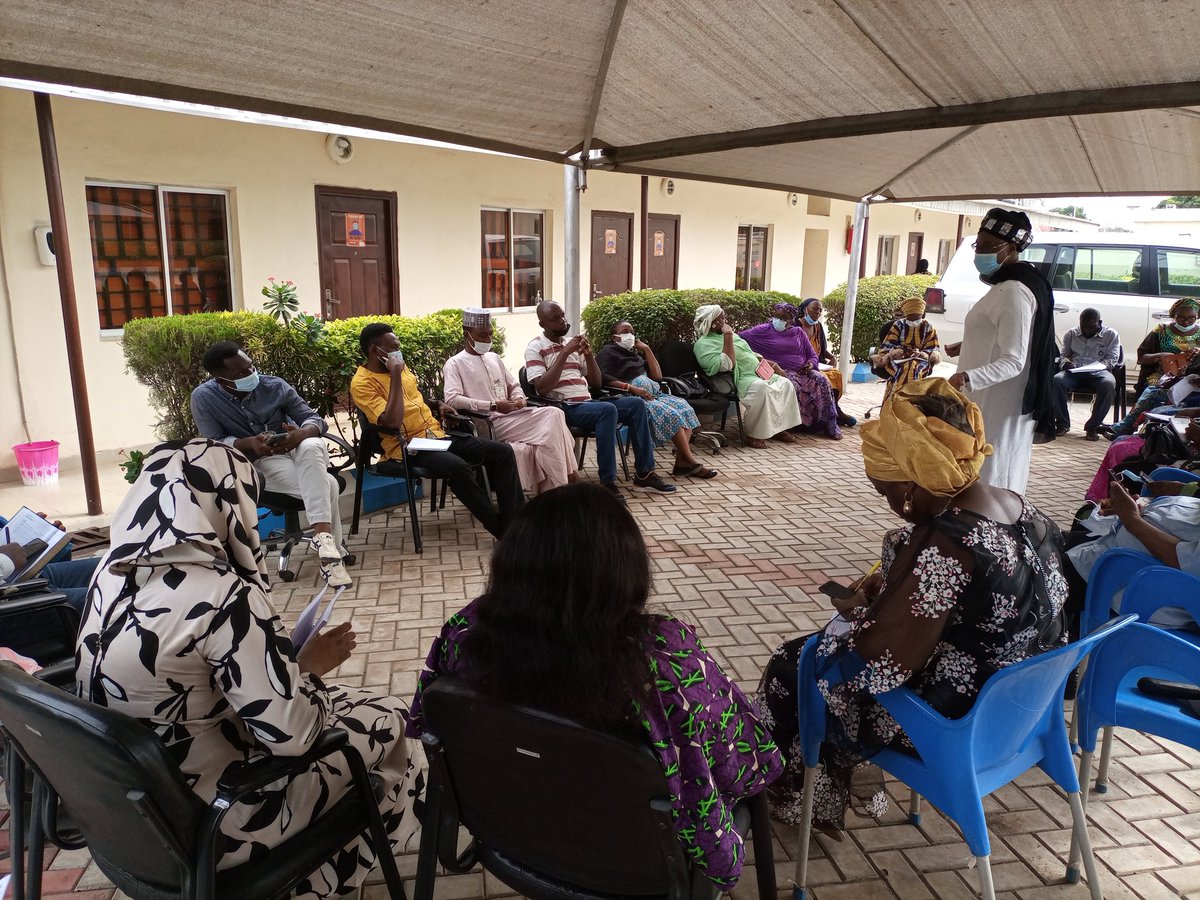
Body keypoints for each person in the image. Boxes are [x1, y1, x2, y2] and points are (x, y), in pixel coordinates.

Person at [74, 439, 421, 898]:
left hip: (132, 809)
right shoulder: (222, 595)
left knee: (358, 710)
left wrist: (284, 671)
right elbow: (291, 738)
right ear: (229, 504)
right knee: (391, 719)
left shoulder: (107, 576)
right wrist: (306, 669)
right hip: (218, 817)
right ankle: (332, 869)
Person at [405, 483, 782, 888]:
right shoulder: (664, 665)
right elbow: (743, 761)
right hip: (638, 868)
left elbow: (432, 723)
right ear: (625, 567)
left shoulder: (464, 633)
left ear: (512, 562)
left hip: (510, 833)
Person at [756, 379, 1067, 831]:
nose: (893, 506)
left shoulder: (949, 540)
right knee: (810, 660)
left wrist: (858, 616)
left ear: (915, 480)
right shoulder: (1021, 507)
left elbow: (880, 661)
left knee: (796, 666)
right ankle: (798, 792)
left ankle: (778, 792)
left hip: (960, 721)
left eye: (888, 493)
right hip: (1022, 708)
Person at [191, 341, 351, 586]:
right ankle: (331, 556)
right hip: (263, 461)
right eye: (241, 373)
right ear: (222, 380)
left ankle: (323, 540)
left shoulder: (274, 385)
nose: (251, 375)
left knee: (313, 444)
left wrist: (298, 434)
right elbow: (214, 443)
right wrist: (249, 444)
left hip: (299, 451)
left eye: (251, 367)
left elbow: (313, 419)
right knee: (328, 483)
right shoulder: (204, 398)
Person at [351, 323, 525, 537]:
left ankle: (515, 522)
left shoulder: (400, 369)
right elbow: (393, 422)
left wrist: (437, 404)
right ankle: (501, 530)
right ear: (375, 350)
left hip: (435, 436)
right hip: (406, 445)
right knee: (458, 467)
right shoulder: (362, 383)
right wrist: (395, 375)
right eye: (393, 347)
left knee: (503, 452)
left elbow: (414, 397)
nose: (398, 351)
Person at [946, 207, 1058, 493]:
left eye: (987, 247)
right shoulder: (1010, 283)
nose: (978, 253)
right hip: (990, 397)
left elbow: (1013, 360)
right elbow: (1012, 337)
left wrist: (964, 378)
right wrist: (967, 345)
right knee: (990, 467)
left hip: (997, 401)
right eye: (977, 245)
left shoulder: (1014, 291)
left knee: (992, 473)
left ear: (1010, 248)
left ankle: (991, 529)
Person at [525, 301, 676, 500]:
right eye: (555, 319)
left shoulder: (571, 343)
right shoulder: (535, 348)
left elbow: (595, 384)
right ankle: (607, 482)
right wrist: (564, 353)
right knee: (607, 410)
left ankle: (644, 474)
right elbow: (542, 388)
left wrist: (588, 356)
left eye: (563, 316)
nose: (562, 321)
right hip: (564, 407)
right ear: (542, 324)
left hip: (589, 404)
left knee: (636, 404)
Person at [443, 308, 578, 494]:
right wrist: (493, 405)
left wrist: (519, 399)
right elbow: (452, 398)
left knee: (554, 419)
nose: (487, 339)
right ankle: (566, 480)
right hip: (487, 423)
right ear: (467, 334)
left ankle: (556, 488)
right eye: (482, 335)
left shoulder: (494, 358)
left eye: (489, 334)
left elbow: (513, 385)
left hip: (513, 417)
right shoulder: (455, 363)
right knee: (553, 416)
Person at [595, 321, 718, 478]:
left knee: (685, 408)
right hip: (633, 398)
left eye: (632, 331)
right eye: (625, 331)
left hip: (653, 395)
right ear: (615, 337)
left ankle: (682, 463)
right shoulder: (607, 353)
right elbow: (603, 378)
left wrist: (646, 349)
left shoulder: (634, 355)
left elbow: (657, 376)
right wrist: (631, 388)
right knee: (673, 415)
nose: (630, 335)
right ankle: (690, 462)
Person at [693, 304, 803, 449]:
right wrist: (728, 336)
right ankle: (754, 435)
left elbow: (750, 354)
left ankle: (780, 428)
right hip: (739, 378)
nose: (725, 321)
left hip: (758, 372)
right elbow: (726, 364)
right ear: (712, 323)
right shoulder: (703, 344)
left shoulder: (734, 337)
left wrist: (773, 366)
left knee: (786, 383)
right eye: (721, 318)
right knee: (762, 389)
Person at [738, 302, 841, 439]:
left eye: (784, 318)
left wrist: (810, 364)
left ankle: (827, 425)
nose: (779, 321)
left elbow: (812, 354)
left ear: (791, 320)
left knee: (822, 380)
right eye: (778, 316)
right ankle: (791, 425)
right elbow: (740, 339)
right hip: (780, 370)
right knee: (792, 384)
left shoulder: (798, 332)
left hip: (803, 370)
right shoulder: (763, 330)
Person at [1107, 298, 1200, 436]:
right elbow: (1142, 357)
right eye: (1181, 317)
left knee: (1154, 394)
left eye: (1191, 318)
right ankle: (1136, 429)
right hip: (1162, 374)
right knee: (1153, 388)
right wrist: (1161, 356)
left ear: (1197, 316)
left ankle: (1133, 428)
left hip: (1189, 379)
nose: (1186, 322)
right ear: (1174, 315)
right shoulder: (1162, 330)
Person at [0, 511, 98, 612]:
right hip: (12, 600)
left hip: (25, 576)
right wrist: (5, 561)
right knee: (109, 599)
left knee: (108, 565)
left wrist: (32, 534)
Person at [1053, 308, 1122, 441]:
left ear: (1099, 322)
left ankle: (1093, 427)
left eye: (1091, 327)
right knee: (1057, 380)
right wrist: (1066, 363)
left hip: (1099, 372)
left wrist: (1100, 366)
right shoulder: (1071, 334)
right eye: (1084, 326)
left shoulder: (1111, 335)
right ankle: (1062, 423)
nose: (1087, 330)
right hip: (1074, 372)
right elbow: (1064, 355)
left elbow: (1112, 358)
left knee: (1108, 384)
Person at [798, 298, 857, 427]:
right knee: (825, 377)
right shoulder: (796, 326)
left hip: (817, 363)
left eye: (820, 310)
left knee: (836, 374)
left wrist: (832, 357)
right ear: (804, 309)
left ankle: (835, 410)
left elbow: (822, 348)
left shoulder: (818, 326)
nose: (818, 313)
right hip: (802, 364)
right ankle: (832, 414)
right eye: (814, 309)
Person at [870, 296, 942, 401]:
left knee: (913, 366)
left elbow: (933, 348)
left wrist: (921, 354)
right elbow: (887, 346)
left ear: (921, 316)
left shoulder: (929, 327)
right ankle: (901, 401)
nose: (913, 322)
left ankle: (902, 400)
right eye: (910, 319)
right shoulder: (898, 325)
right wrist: (899, 352)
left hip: (921, 360)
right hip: (896, 359)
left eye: (916, 319)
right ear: (906, 316)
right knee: (906, 367)